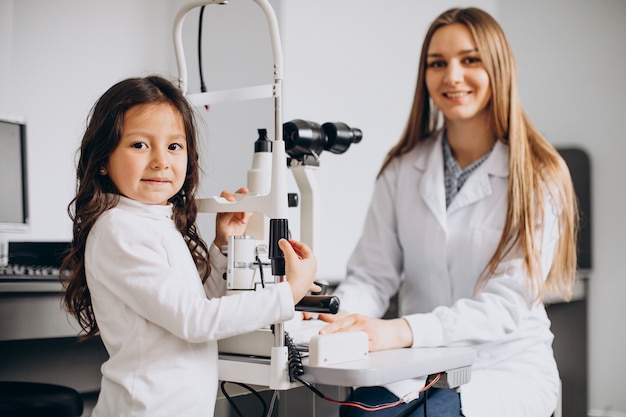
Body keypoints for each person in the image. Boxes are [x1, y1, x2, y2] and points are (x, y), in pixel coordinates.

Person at [314, 7, 578, 417]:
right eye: (438, 63)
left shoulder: (538, 174)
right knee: (360, 411)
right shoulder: (402, 167)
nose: (452, 76)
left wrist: (400, 331)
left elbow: (504, 306)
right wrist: (339, 323)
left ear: (499, 68)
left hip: (504, 370)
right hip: (419, 365)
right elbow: (372, 275)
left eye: (470, 60)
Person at [61, 75, 318, 417]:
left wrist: (222, 245)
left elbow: (193, 307)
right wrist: (289, 293)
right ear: (104, 159)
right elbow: (195, 321)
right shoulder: (119, 229)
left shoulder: (153, 222)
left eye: (174, 146)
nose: (160, 161)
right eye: (140, 145)